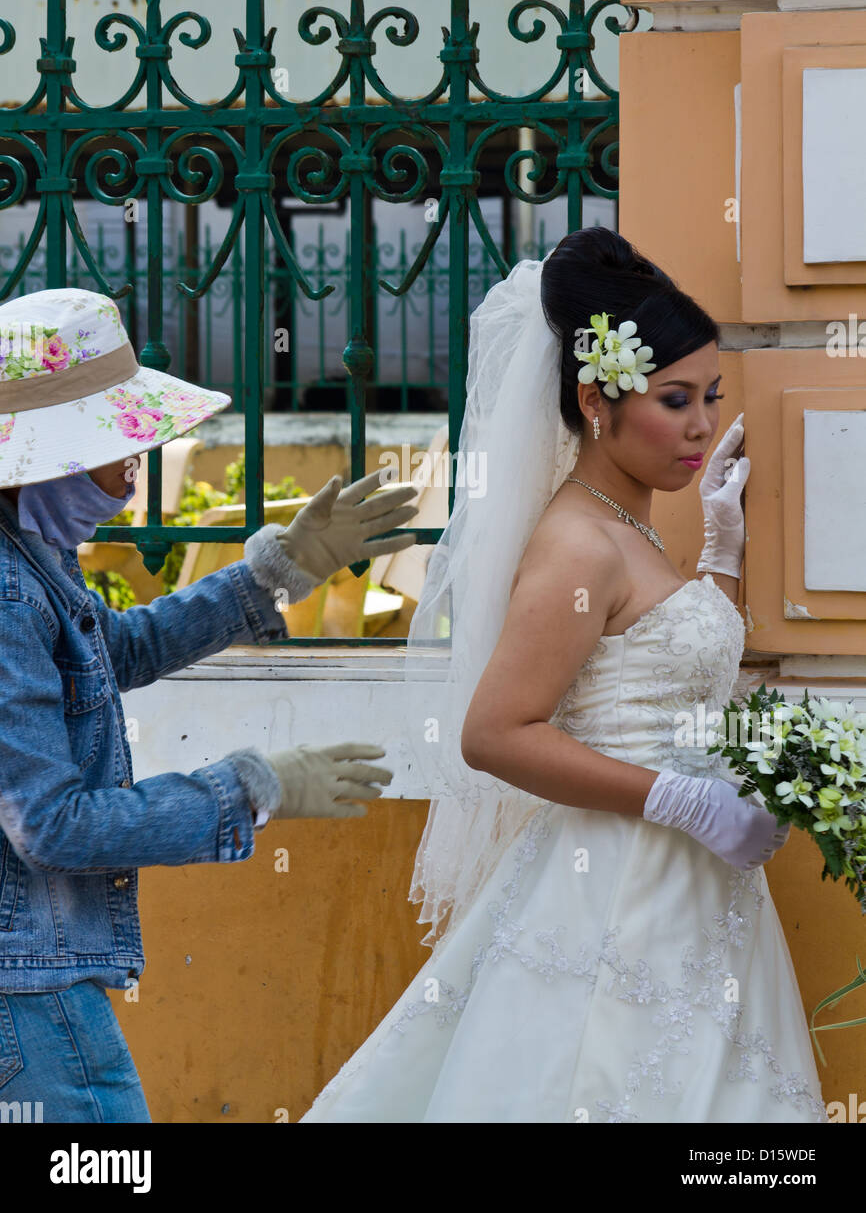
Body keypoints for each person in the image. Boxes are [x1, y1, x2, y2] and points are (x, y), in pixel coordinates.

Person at [299, 227, 827, 1124]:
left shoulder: (630, 527)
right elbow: (496, 732)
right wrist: (684, 801)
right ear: (595, 400)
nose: (701, 424)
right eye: (673, 399)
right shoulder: (579, 545)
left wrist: (724, 551)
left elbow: (662, 671)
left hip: (698, 890)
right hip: (616, 889)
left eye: (710, 396)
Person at [0, 286, 419, 1122]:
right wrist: (250, 788)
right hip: (28, 987)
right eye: (115, 440)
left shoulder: (34, 559)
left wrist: (275, 572)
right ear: (42, 459)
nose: (137, 460)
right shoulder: (9, 590)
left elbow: (111, 654)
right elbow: (51, 825)